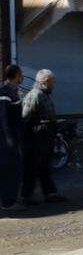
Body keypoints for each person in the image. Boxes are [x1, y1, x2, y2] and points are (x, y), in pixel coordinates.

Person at [21, 69, 64, 205]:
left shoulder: (44, 95)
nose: (54, 84)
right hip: (36, 138)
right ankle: (26, 197)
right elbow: (24, 118)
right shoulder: (35, 96)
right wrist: (38, 130)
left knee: (45, 166)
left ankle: (50, 194)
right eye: (52, 81)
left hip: (45, 137)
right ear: (45, 82)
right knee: (32, 167)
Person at [0, 64, 24, 211]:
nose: (22, 77)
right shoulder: (5, 92)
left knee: (13, 169)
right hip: (7, 140)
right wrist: (9, 139)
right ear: (15, 75)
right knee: (9, 170)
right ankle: (7, 202)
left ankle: (10, 199)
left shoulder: (12, 91)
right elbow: (3, 117)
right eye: (21, 74)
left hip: (12, 138)